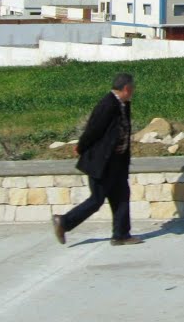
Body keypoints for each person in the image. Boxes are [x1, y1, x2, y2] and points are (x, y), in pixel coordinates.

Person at [52, 72, 143, 246]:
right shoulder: (108, 104)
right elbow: (93, 129)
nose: (134, 91)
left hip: (116, 162)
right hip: (101, 162)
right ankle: (63, 222)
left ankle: (121, 235)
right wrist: (80, 147)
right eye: (132, 88)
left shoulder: (123, 104)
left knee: (121, 195)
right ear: (126, 88)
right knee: (96, 199)